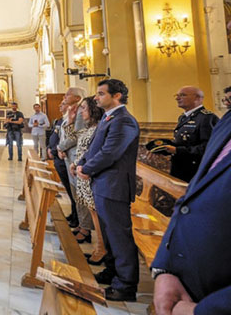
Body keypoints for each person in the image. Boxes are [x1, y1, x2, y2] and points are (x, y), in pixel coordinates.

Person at [151, 110, 231, 315]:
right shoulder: (227, 121)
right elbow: (191, 197)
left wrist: (204, 310)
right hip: (186, 287)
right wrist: (165, 268)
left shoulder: (207, 119)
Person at [76, 79, 140, 302]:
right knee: (108, 233)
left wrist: (87, 168)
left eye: (101, 94)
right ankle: (112, 271)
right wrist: (82, 162)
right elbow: (95, 147)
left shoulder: (124, 121)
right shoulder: (109, 117)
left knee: (119, 235)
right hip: (103, 184)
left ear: (117, 96)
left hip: (114, 186)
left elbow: (110, 152)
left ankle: (125, 285)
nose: (96, 97)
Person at [70, 96, 107, 265]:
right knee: (92, 211)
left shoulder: (100, 127)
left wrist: (83, 166)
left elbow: (96, 152)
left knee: (96, 213)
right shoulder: (90, 127)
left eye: (84, 108)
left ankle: (102, 249)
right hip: (83, 172)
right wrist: (77, 163)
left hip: (89, 175)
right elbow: (82, 146)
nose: (81, 111)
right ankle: (100, 247)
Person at [155, 86, 218, 183]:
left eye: (182, 95)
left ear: (197, 98)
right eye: (177, 95)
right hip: (180, 167)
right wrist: (165, 147)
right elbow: (183, 142)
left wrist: (177, 150)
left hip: (194, 170)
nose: (177, 98)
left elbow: (208, 147)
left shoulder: (206, 118)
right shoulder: (183, 117)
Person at [58, 87, 92, 242]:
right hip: (70, 157)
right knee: (75, 193)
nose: (65, 96)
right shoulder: (73, 112)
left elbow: (77, 137)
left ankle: (85, 229)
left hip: (77, 158)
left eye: (68, 94)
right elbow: (69, 133)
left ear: (78, 98)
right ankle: (80, 224)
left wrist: (60, 147)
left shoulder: (79, 113)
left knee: (80, 194)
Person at [48, 102, 79, 228]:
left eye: (64, 102)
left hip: (66, 157)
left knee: (73, 191)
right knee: (69, 189)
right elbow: (55, 135)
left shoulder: (74, 119)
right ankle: (74, 214)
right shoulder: (61, 120)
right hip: (59, 156)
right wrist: (50, 147)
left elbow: (73, 137)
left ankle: (78, 220)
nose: (60, 105)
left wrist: (59, 148)